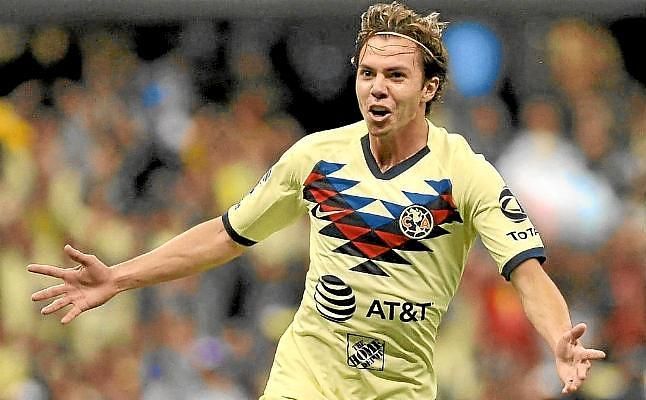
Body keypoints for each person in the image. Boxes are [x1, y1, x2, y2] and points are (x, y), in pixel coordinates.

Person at [28, 2, 606, 399]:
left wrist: (558, 338)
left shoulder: (466, 174)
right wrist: (119, 277)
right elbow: (227, 234)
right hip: (303, 381)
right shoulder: (316, 157)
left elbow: (527, 273)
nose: (377, 87)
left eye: (396, 76)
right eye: (368, 73)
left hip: (398, 389)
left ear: (429, 88)